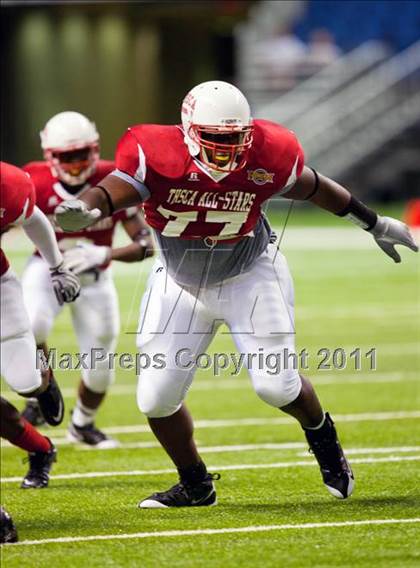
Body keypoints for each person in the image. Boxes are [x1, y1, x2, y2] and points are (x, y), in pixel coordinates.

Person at [54, 81, 418, 508]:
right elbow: (114, 190)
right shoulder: (154, 153)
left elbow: (315, 186)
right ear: (189, 131)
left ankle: (323, 436)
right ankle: (196, 485)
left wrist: (373, 223)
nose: (226, 150)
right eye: (215, 139)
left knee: (276, 388)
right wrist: (92, 207)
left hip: (249, 274)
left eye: (234, 139)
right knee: (155, 399)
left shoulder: (269, 153)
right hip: (178, 282)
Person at [20, 112, 154, 448]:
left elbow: (145, 243)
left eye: (82, 154)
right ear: (51, 155)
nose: (77, 164)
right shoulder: (32, 180)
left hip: (95, 278)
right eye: (68, 157)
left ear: (94, 149)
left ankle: (82, 424)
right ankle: (41, 390)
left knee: (100, 366)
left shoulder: (112, 177)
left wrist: (106, 255)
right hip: (48, 270)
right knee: (31, 325)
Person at [1, 161, 80, 542]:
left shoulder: (9, 184)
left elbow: (32, 218)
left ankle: (43, 381)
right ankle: (41, 450)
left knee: (24, 382)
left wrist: (57, 266)